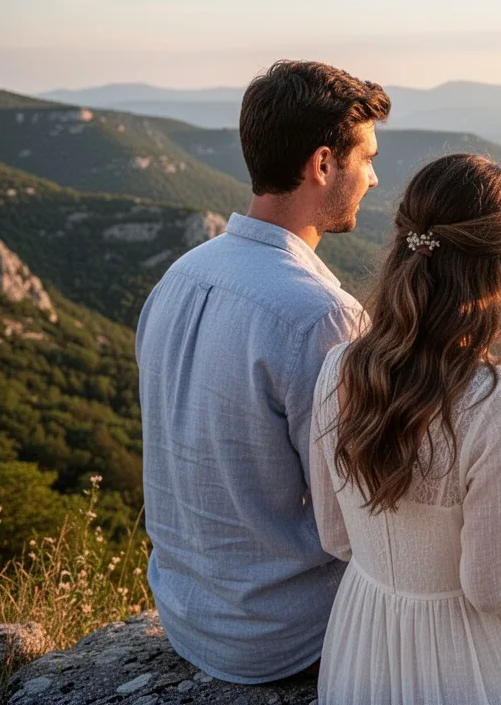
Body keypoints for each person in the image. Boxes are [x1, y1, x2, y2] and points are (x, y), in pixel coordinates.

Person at [309, 153, 501, 704]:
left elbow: (336, 536)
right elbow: (496, 589)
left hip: (365, 648)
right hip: (473, 664)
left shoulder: (338, 369)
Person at [135, 60, 390, 682]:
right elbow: (357, 518)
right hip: (286, 633)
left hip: (188, 612)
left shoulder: (179, 277)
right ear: (322, 164)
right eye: (367, 159)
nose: (376, 179)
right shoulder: (321, 315)